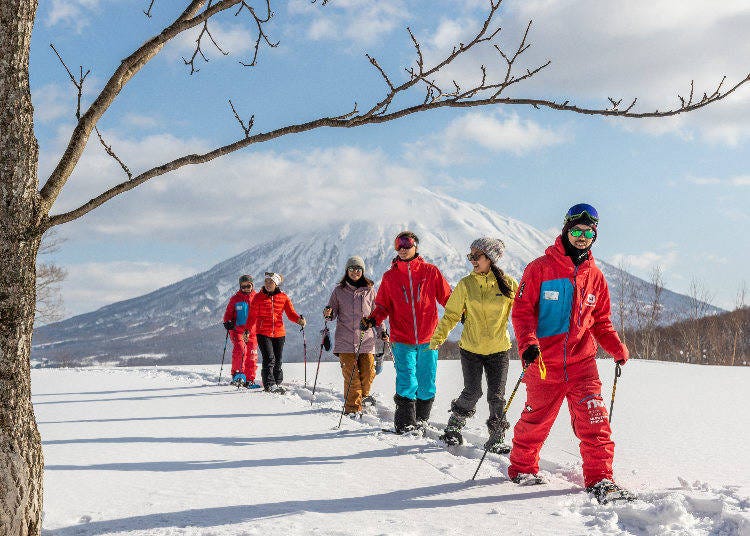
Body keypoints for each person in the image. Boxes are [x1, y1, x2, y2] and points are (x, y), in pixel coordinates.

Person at [508, 203, 632, 504]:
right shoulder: (539, 268)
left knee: (595, 420)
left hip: (582, 364)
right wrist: (528, 344)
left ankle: (601, 479)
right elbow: (522, 312)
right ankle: (522, 469)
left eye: (589, 232)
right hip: (543, 365)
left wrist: (616, 347)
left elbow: (601, 321)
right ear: (566, 230)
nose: (582, 236)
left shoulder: (596, 277)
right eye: (577, 230)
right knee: (536, 422)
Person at [430, 238, 518, 452]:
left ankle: (496, 438)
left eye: (475, 256)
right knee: (473, 392)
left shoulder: (508, 284)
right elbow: (451, 315)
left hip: (499, 349)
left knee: (497, 396)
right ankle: (453, 428)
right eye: (470, 256)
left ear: (490, 258)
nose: (471, 260)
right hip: (471, 349)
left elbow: (523, 316)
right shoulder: (466, 284)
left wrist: (534, 340)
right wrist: (437, 339)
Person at [361, 231, 451, 433]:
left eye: (407, 244)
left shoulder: (431, 272)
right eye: (398, 245)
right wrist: (373, 319)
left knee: (427, 382)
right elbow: (383, 306)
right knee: (407, 380)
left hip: (429, 338)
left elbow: (447, 298)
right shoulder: (390, 277)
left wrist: (461, 312)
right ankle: (404, 424)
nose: (402, 248)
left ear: (416, 246)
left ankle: (421, 421)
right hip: (401, 338)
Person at [323, 255, 384, 417]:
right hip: (345, 341)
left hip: (367, 340)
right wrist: (328, 314)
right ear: (347, 271)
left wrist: (382, 331)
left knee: (368, 373)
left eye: (358, 269)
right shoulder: (338, 291)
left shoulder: (370, 290)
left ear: (362, 271)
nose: (355, 272)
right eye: (352, 269)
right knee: (351, 377)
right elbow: (332, 314)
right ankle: (352, 408)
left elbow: (377, 314)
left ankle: (362, 398)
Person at [248, 272, 305, 393]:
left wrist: (299, 320)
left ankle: (278, 382)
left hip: (279, 333)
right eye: (266, 282)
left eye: (271, 282)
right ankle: (269, 384)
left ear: (276, 284)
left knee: (278, 359)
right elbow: (252, 316)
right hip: (263, 332)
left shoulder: (283, 297)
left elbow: (291, 313)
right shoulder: (258, 297)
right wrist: (247, 330)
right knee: (269, 358)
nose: (268, 284)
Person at [222, 275, 260, 388]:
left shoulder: (257, 298)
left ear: (252, 285)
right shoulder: (235, 299)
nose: (246, 289)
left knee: (252, 355)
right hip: (238, 331)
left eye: (248, 286)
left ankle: (250, 379)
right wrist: (227, 322)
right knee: (240, 349)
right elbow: (228, 314)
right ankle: (238, 374)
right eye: (243, 287)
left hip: (253, 333)